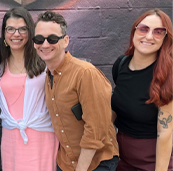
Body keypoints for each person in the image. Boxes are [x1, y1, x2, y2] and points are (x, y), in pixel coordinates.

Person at [33, 11, 119, 171]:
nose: (45, 45)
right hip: (66, 162)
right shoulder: (48, 75)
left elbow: (95, 129)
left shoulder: (85, 73)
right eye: (39, 39)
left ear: (65, 41)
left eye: (52, 39)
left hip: (96, 163)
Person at [0, 7, 58, 171]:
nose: (16, 34)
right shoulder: (0, 62)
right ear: (4, 33)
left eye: (22, 29)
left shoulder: (44, 61)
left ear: (30, 32)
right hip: (10, 138)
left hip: (41, 136)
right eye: (10, 29)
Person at [111, 9, 173, 170]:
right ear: (134, 31)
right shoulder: (121, 64)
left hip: (151, 159)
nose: (149, 36)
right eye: (143, 29)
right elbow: (118, 105)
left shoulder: (168, 76)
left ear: (165, 38)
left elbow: (165, 134)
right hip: (120, 156)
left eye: (159, 32)